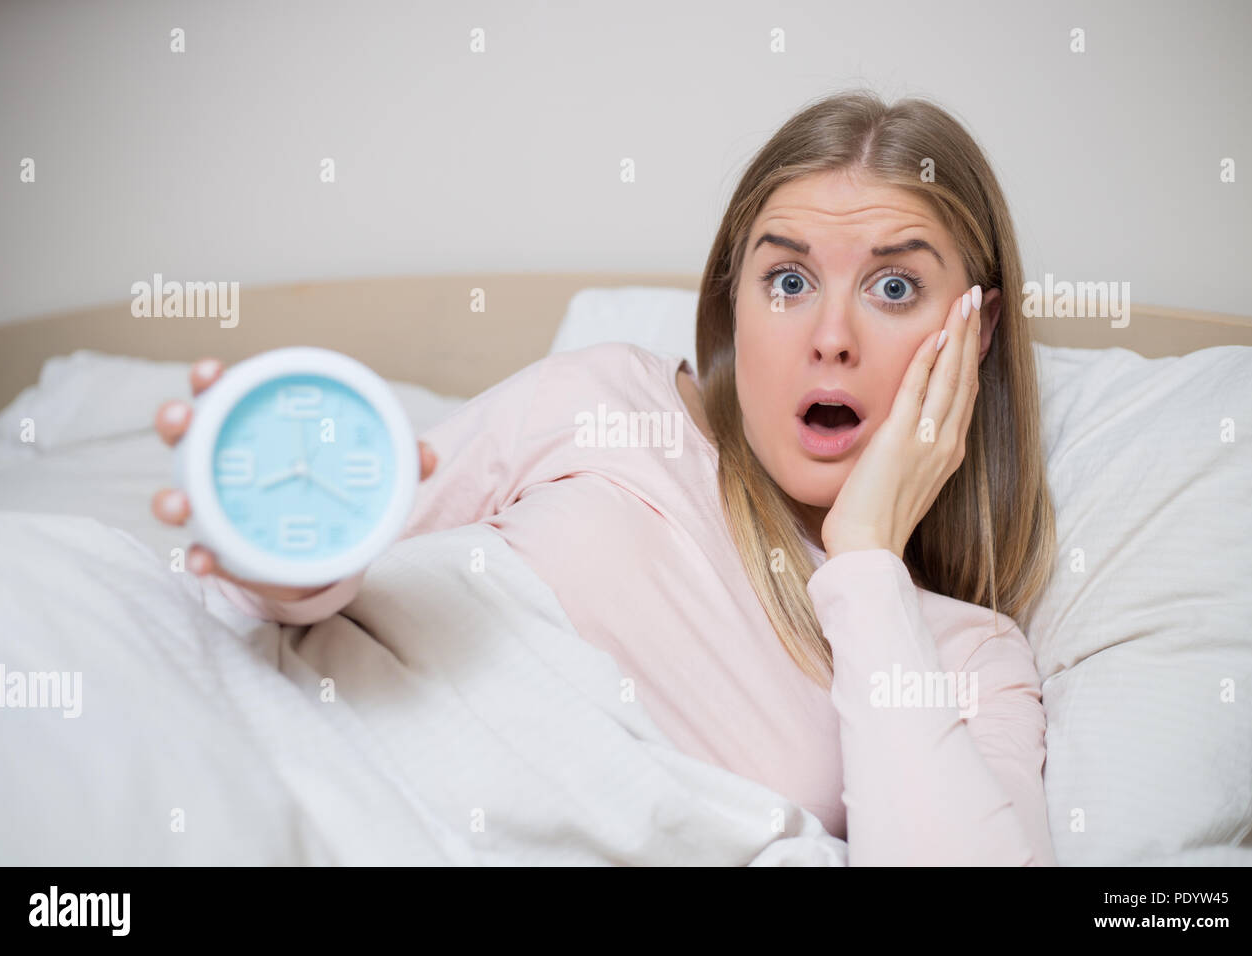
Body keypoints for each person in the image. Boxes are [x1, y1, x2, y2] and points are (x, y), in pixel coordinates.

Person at [150, 90, 1058, 866]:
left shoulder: (967, 656)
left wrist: (865, 561)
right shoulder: (607, 396)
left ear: (973, 335)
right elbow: (329, 575)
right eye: (786, 279)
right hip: (270, 761)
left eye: (893, 288)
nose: (830, 336)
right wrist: (277, 547)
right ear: (731, 301)